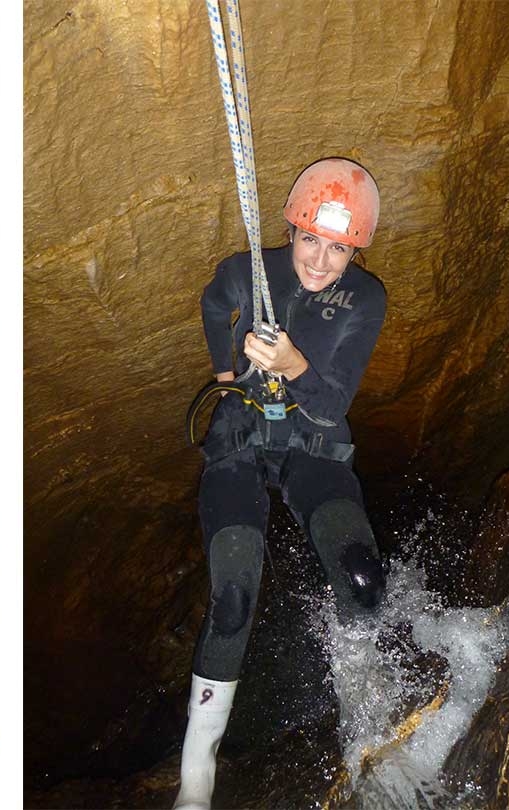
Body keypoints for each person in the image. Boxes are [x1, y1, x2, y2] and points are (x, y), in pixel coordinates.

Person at [174, 158, 387, 810]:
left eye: (340, 247)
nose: (320, 260)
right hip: (239, 440)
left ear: (355, 250)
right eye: (310, 239)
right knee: (233, 598)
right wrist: (225, 369)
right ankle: (195, 779)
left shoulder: (365, 299)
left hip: (311, 443)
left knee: (362, 579)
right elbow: (216, 300)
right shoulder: (252, 270)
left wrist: (292, 363)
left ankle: (361, 702)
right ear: (291, 230)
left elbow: (329, 405)